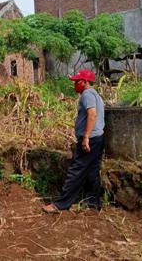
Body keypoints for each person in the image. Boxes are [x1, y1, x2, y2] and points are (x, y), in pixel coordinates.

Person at [42, 69, 105, 213]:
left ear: (85, 82)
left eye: (77, 81)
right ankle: (93, 204)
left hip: (91, 139)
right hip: (98, 138)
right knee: (92, 172)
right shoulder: (96, 94)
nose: (75, 84)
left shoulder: (87, 94)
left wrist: (86, 137)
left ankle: (60, 204)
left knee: (76, 171)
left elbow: (92, 115)